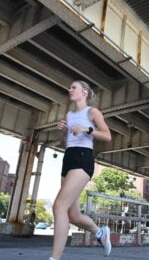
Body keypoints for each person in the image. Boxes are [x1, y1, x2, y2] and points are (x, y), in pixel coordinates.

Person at [49, 80, 112, 260]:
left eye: (73, 87)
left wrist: (87, 129)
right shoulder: (69, 115)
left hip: (83, 158)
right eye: (69, 87)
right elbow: (64, 143)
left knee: (59, 206)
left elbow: (107, 135)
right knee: (73, 215)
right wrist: (62, 132)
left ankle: (54, 258)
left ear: (84, 92)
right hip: (68, 157)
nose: (70, 90)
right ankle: (99, 232)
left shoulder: (92, 112)